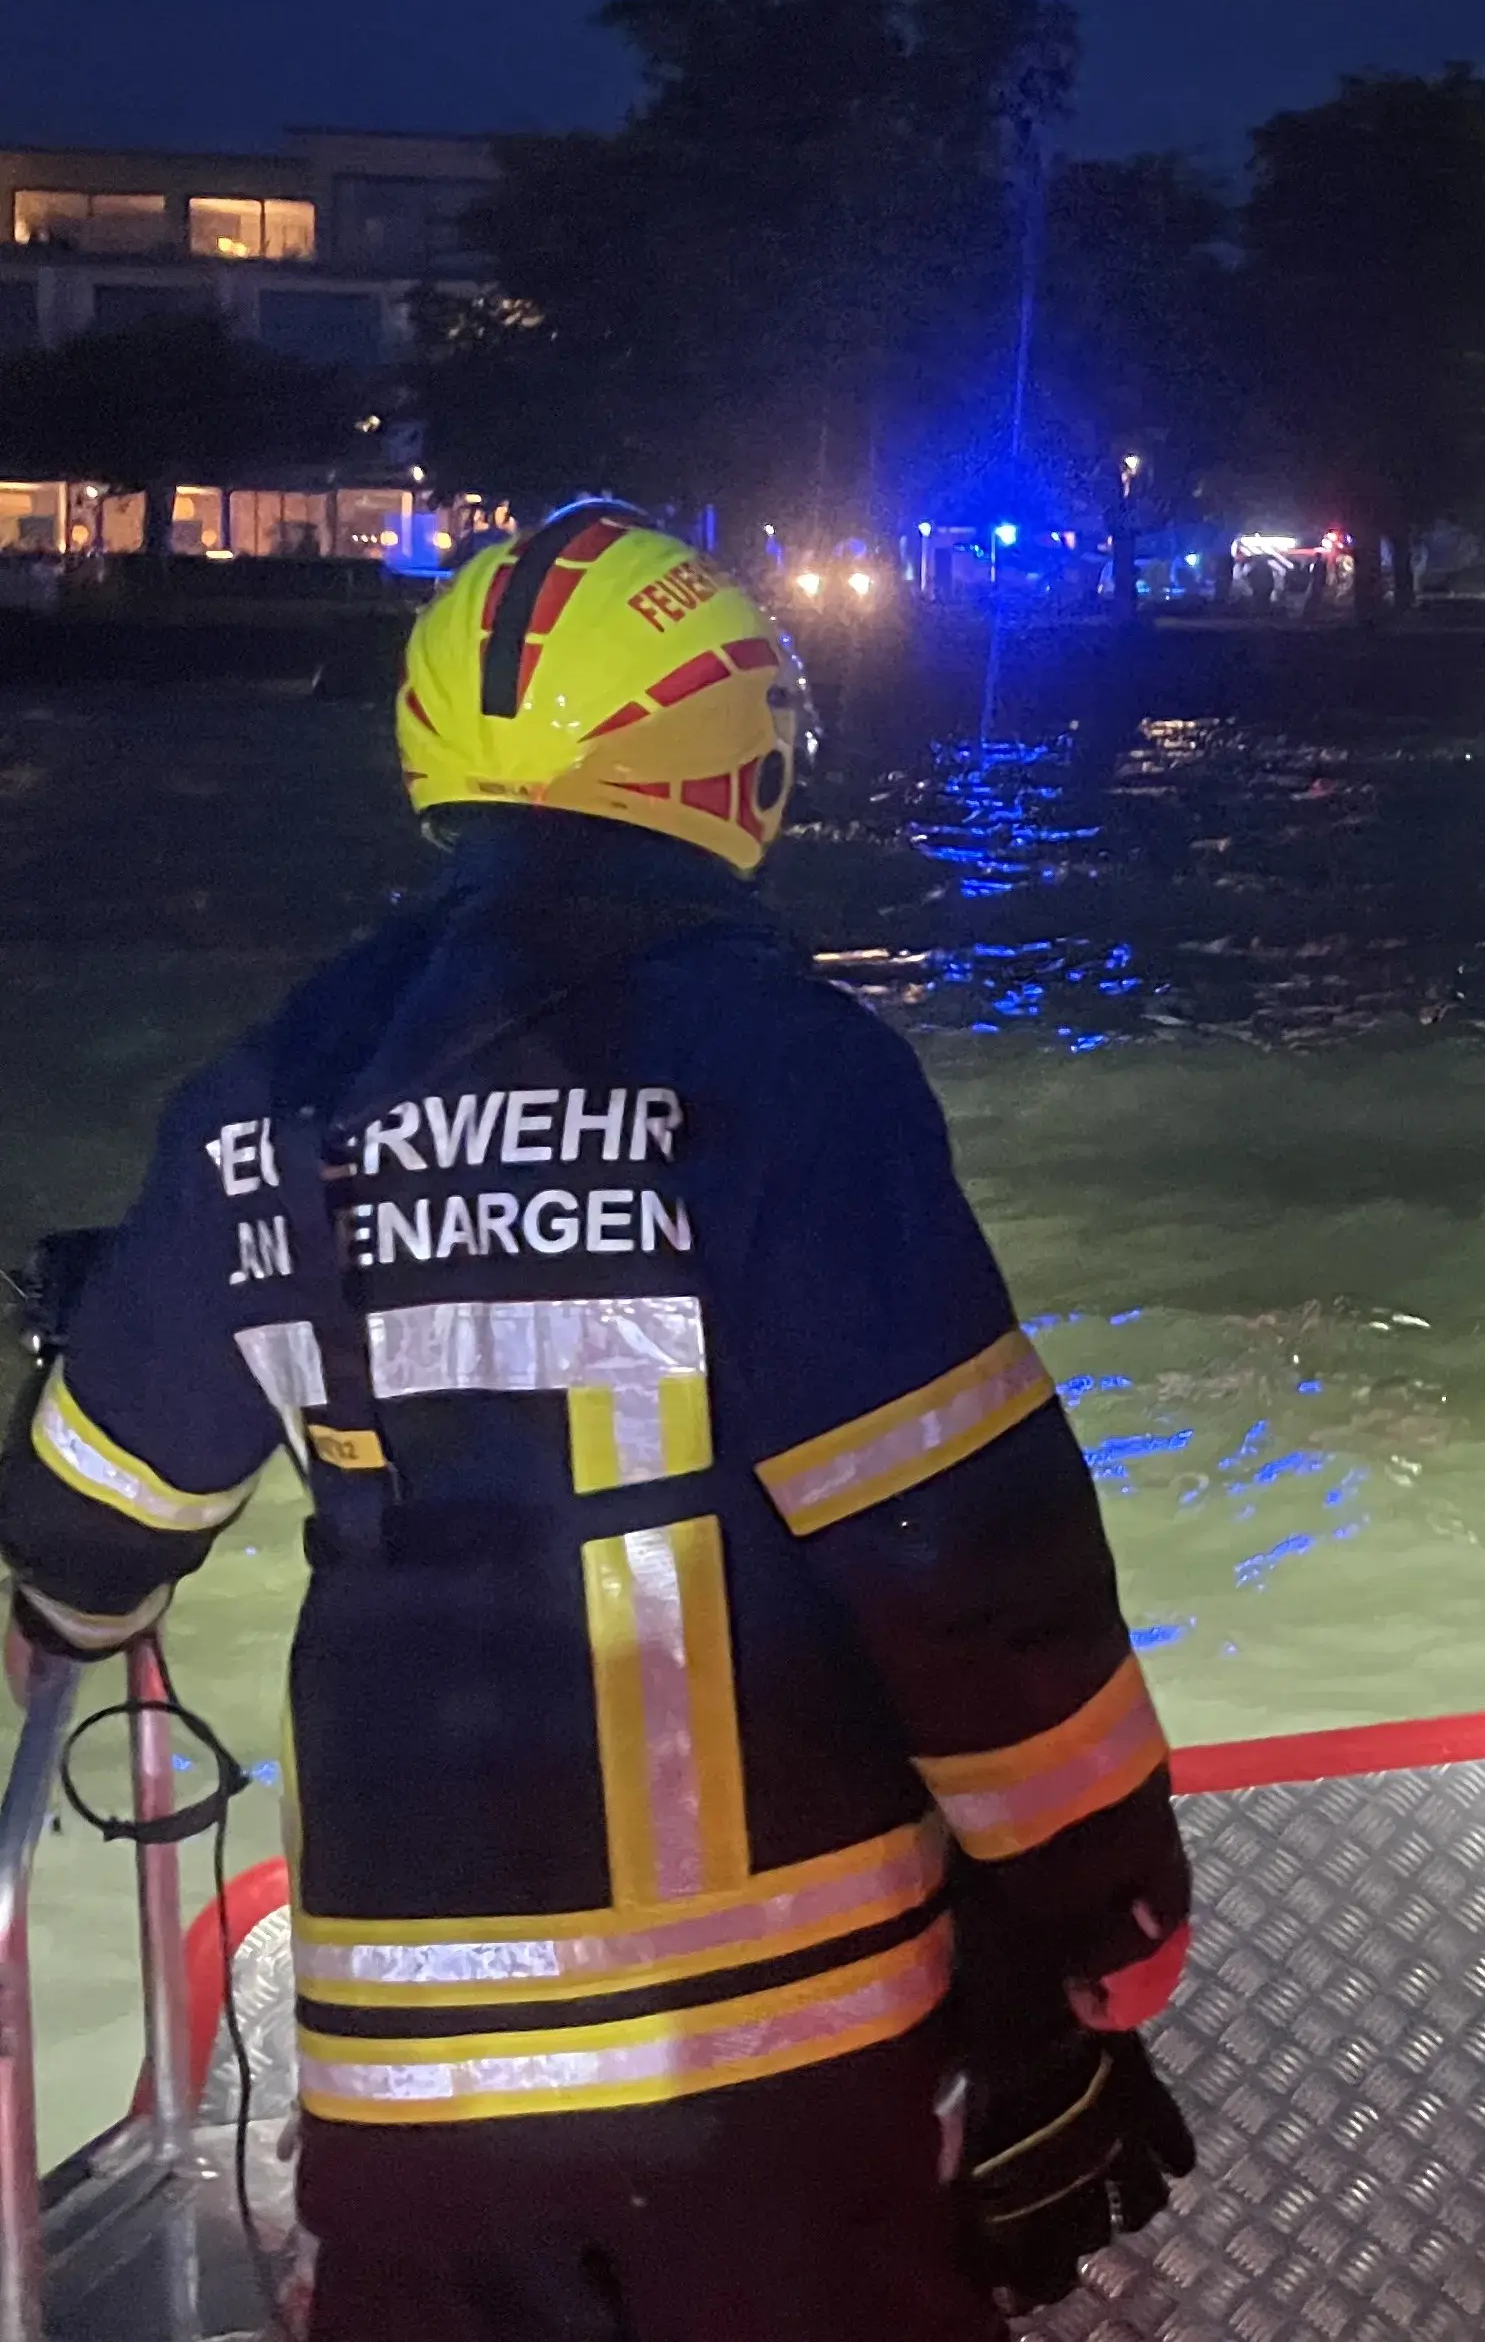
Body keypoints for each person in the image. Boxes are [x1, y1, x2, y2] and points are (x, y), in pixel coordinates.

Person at [0, 503, 1194, 2341]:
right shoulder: (788, 1070)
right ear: (734, 761)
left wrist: (64, 1613)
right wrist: (1106, 1909)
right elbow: (958, 1542)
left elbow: (89, 1528)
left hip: (405, 2089)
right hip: (769, 2066)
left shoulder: (269, 1091)